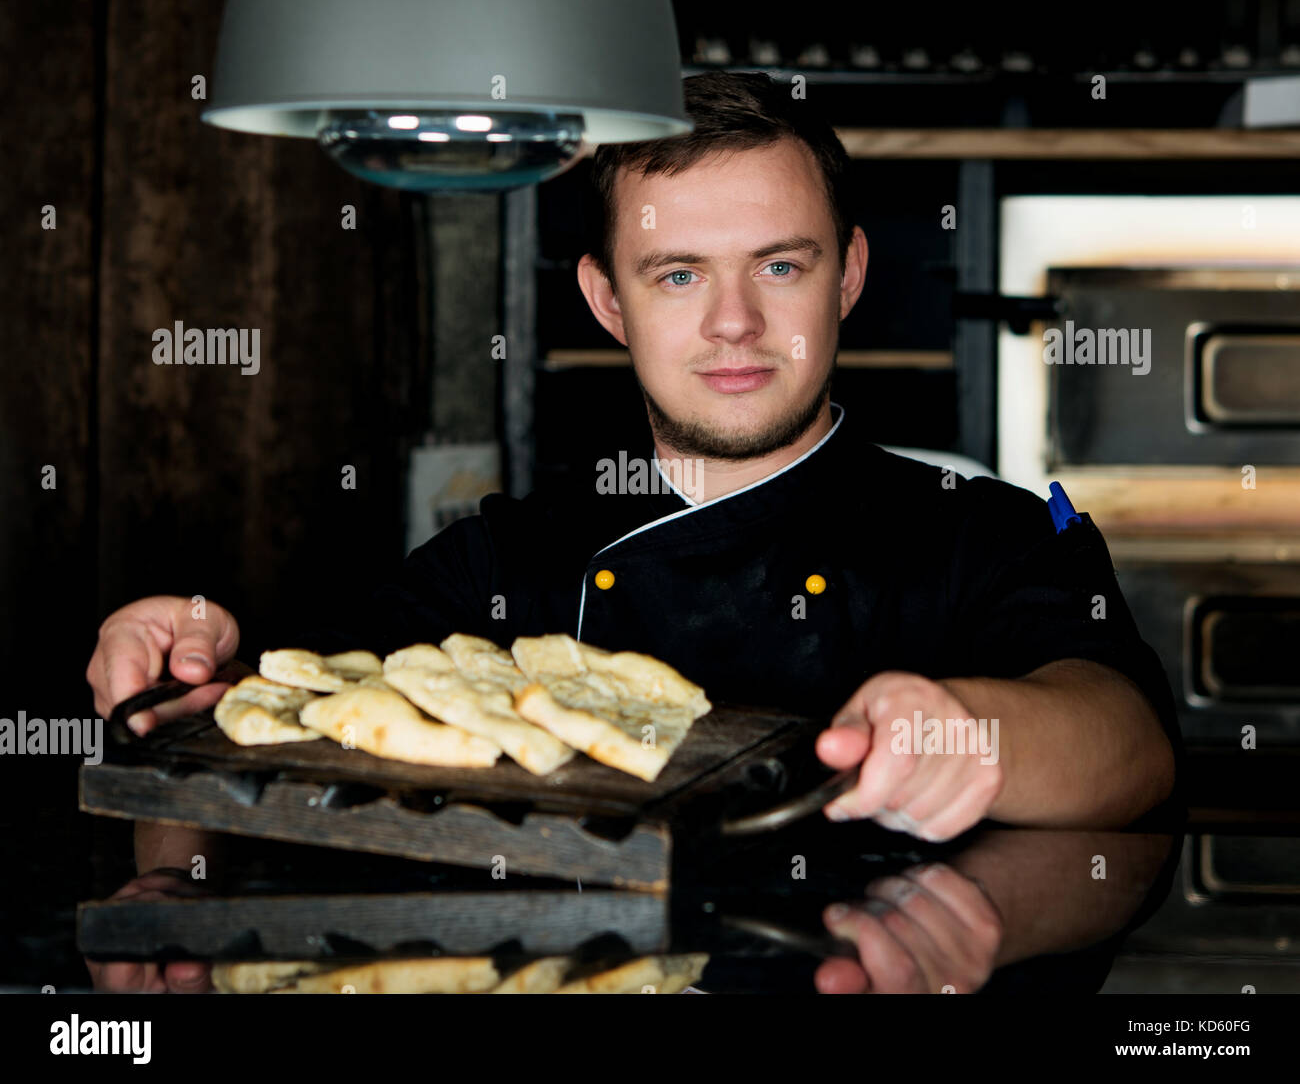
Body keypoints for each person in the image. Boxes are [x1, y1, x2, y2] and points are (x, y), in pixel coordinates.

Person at [84, 71, 1182, 992]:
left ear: (847, 274)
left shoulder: (978, 533)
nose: (734, 322)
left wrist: (976, 732)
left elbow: (1129, 749)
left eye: (780, 265)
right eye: (678, 275)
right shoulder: (504, 564)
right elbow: (261, 769)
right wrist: (187, 703)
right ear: (608, 301)